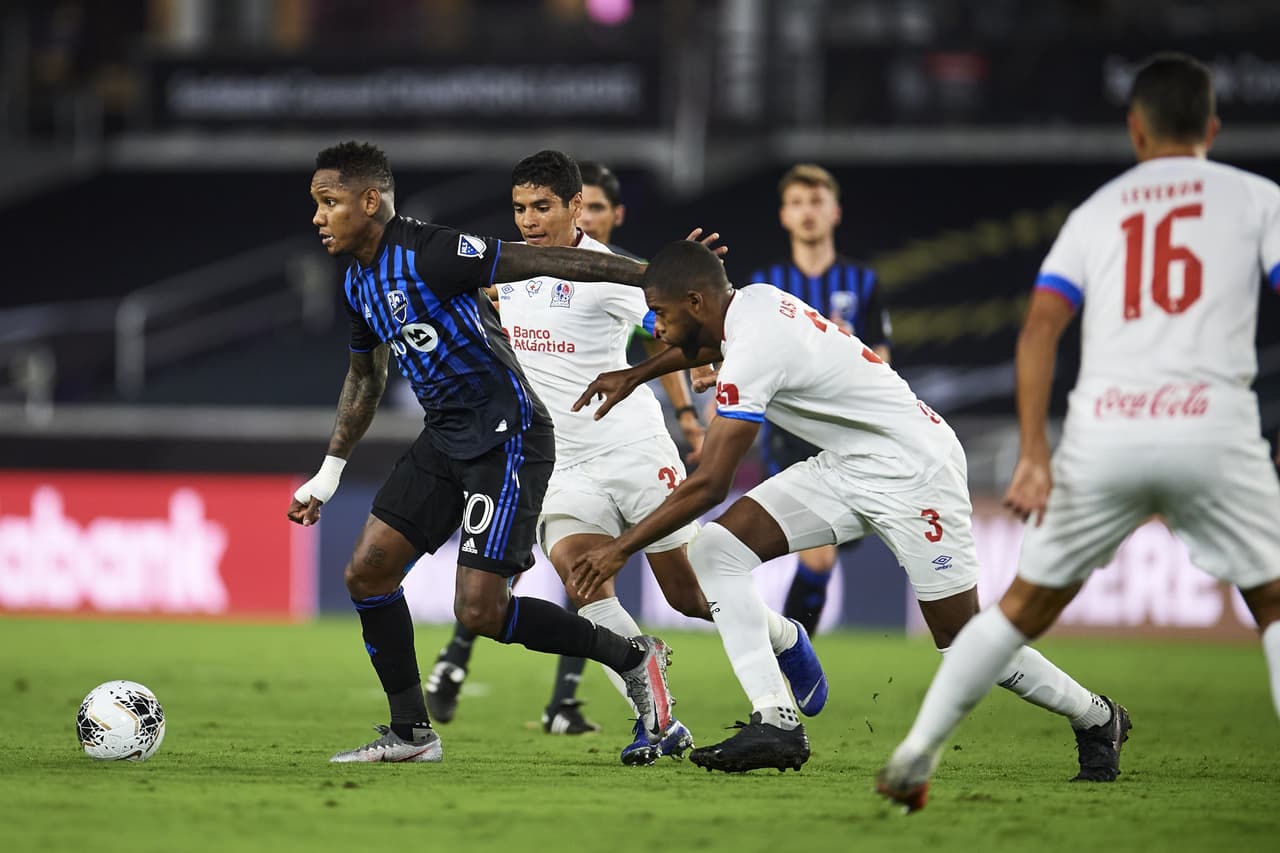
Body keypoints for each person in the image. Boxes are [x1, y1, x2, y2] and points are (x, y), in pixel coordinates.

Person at [877, 53, 1280, 813]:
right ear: (1215, 129)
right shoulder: (1258, 199)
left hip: (1106, 434)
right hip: (1215, 426)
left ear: (1135, 131)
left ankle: (915, 752)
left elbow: (1040, 328)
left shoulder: (1097, 212)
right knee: (1272, 600)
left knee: (1019, 609)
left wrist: (1035, 452)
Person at [569, 240, 1116, 775]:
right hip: (849, 464)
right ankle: (776, 720)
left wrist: (621, 548)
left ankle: (1097, 716)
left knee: (963, 644)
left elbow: (711, 483)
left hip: (916, 472)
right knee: (717, 550)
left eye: (660, 314)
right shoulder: (751, 301)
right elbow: (708, 346)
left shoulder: (753, 348)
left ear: (696, 303)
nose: (655, 328)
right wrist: (635, 374)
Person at [426, 150, 825, 765]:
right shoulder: (507, 269)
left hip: (633, 452)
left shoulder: (611, 273)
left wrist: (696, 337)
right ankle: (658, 718)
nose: (528, 220)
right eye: (519, 209)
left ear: (575, 207)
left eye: (542, 207)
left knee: (690, 596)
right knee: (585, 584)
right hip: (560, 464)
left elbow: (686, 326)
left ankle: (784, 635)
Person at [290, 140, 678, 764]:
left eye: (328, 202)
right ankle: (412, 734)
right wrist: (329, 471)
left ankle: (632, 657)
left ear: (370, 202)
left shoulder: (432, 251)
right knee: (367, 572)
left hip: (508, 436)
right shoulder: (359, 279)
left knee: (480, 611)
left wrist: (652, 275)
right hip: (444, 437)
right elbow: (366, 377)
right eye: (316, 203)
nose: (317, 216)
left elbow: (549, 261)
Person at [748, 164, 892, 635]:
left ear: (835, 212)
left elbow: (884, 365)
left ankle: (791, 650)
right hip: (787, 435)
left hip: (846, 436)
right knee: (818, 555)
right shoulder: (766, 284)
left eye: (815, 202)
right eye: (797, 203)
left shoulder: (864, 283)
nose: (807, 212)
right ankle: (793, 657)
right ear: (784, 216)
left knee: (823, 559)